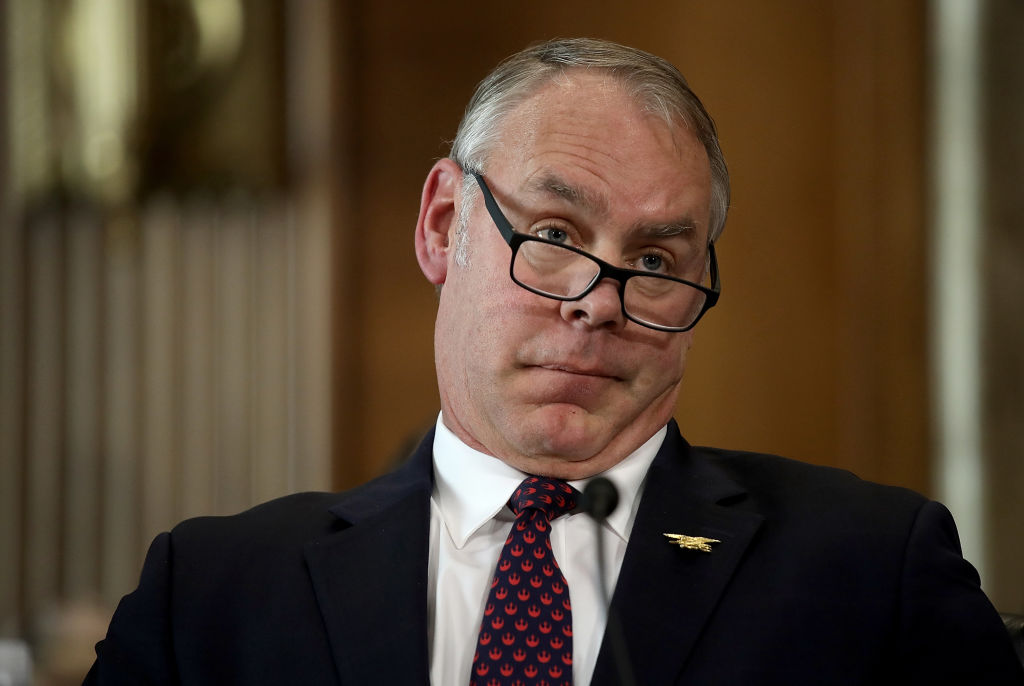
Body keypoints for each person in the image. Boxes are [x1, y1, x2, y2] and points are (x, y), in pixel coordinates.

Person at [85, 38, 1023, 685]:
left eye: (655, 261)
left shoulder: (869, 570)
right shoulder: (212, 593)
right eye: (554, 233)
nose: (598, 301)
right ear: (444, 226)